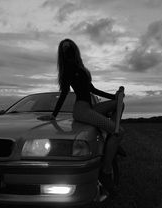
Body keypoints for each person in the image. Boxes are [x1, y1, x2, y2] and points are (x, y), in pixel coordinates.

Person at [40, 38, 125, 193]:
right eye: (64, 48)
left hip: (90, 108)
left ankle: (110, 139)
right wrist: (53, 115)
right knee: (120, 132)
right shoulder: (67, 69)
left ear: (74, 48)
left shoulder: (82, 68)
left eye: (69, 47)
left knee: (119, 105)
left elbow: (93, 90)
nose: (67, 50)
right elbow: (65, 93)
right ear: (62, 53)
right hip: (81, 110)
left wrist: (114, 97)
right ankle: (106, 171)